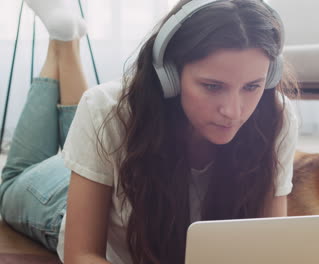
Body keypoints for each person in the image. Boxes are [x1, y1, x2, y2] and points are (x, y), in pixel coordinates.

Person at [0, 0, 299, 263]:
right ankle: (62, 41)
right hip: (54, 199)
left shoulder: (275, 117)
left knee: (93, 130)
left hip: (101, 167)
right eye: (212, 86)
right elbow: (81, 254)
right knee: (14, 177)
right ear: (168, 74)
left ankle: (63, 40)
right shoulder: (106, 107)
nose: (234, 112)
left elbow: (270, 249)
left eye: (252, 86)